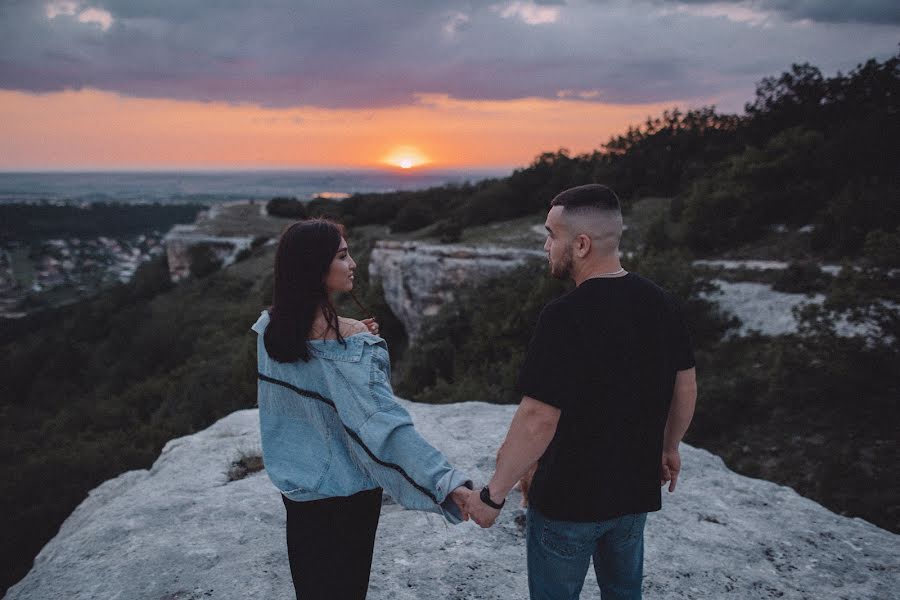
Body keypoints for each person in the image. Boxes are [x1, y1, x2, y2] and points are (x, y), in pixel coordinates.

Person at [464, 184, 697, 600]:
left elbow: (538, 419)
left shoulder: (564, 317)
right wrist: (669, 448)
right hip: (633, 496)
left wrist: (492, 495)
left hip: (568, 502)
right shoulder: (663, 302)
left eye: (552, 235)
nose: (547, 246)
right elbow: (686, 385)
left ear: (582, 244)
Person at [251, 219, 473, 600]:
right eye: (342, 255)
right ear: (315, 267)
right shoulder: (353, 344)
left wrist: (351, 334)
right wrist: (450, 486)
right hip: (347, 497)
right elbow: (384, 428)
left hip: (299, 492)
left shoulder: (270, 329)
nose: (352, 263)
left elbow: (300, 401)